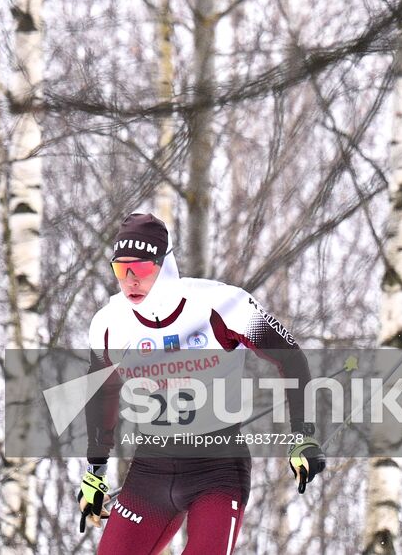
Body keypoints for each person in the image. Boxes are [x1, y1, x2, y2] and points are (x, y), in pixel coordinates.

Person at [76, 212, 325, 554]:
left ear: (164, 266)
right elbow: (102, 393)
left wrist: (303, 435)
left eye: (142, 269)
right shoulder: (109, 324)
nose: (130, 280)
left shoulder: (221, 305)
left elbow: (289, 357)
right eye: (122, 269)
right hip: (151, 470)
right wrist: (95, 472)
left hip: (218, 471)